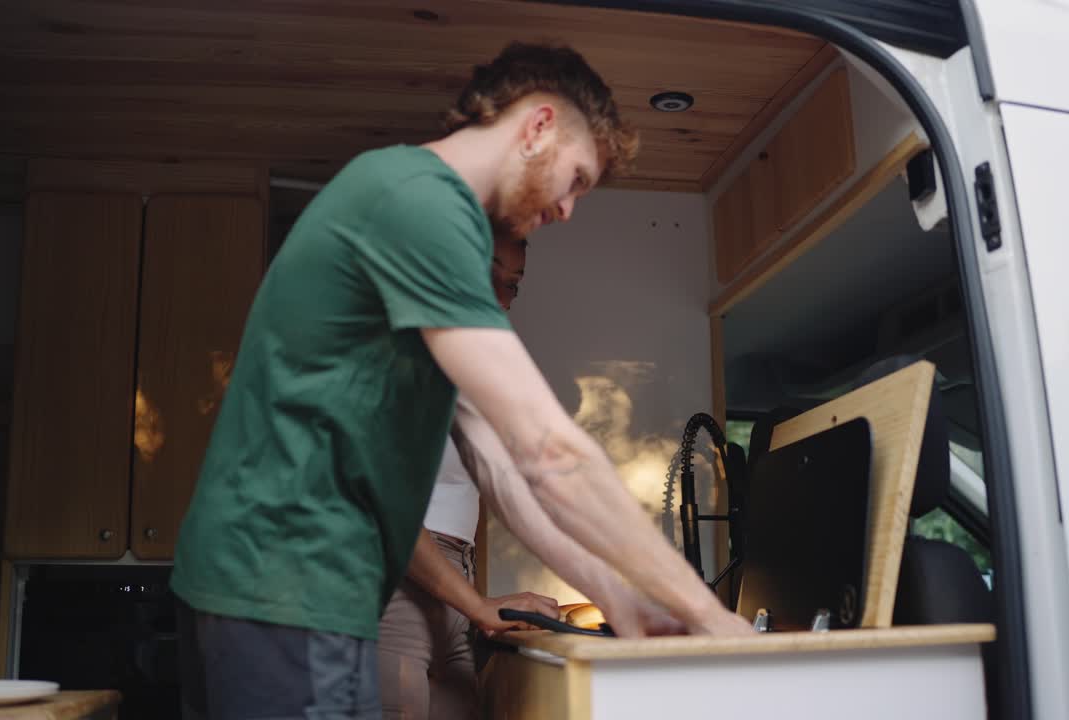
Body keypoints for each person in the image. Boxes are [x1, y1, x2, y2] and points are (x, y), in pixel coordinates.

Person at [171, 41, 752, 720]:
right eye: (576, 179)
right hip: (282, 580)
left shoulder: (431, 241)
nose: (569, 209)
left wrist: (621, 599)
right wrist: (706, 612)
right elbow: (551, 452)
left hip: (300, 587)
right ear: (537, 126)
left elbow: (506, 473)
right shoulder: (418, 200)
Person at [376, 232, 558, 720]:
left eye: (513, 285)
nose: (500, 298)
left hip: (451, 579)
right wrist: (479, 607)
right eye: (487, 274)